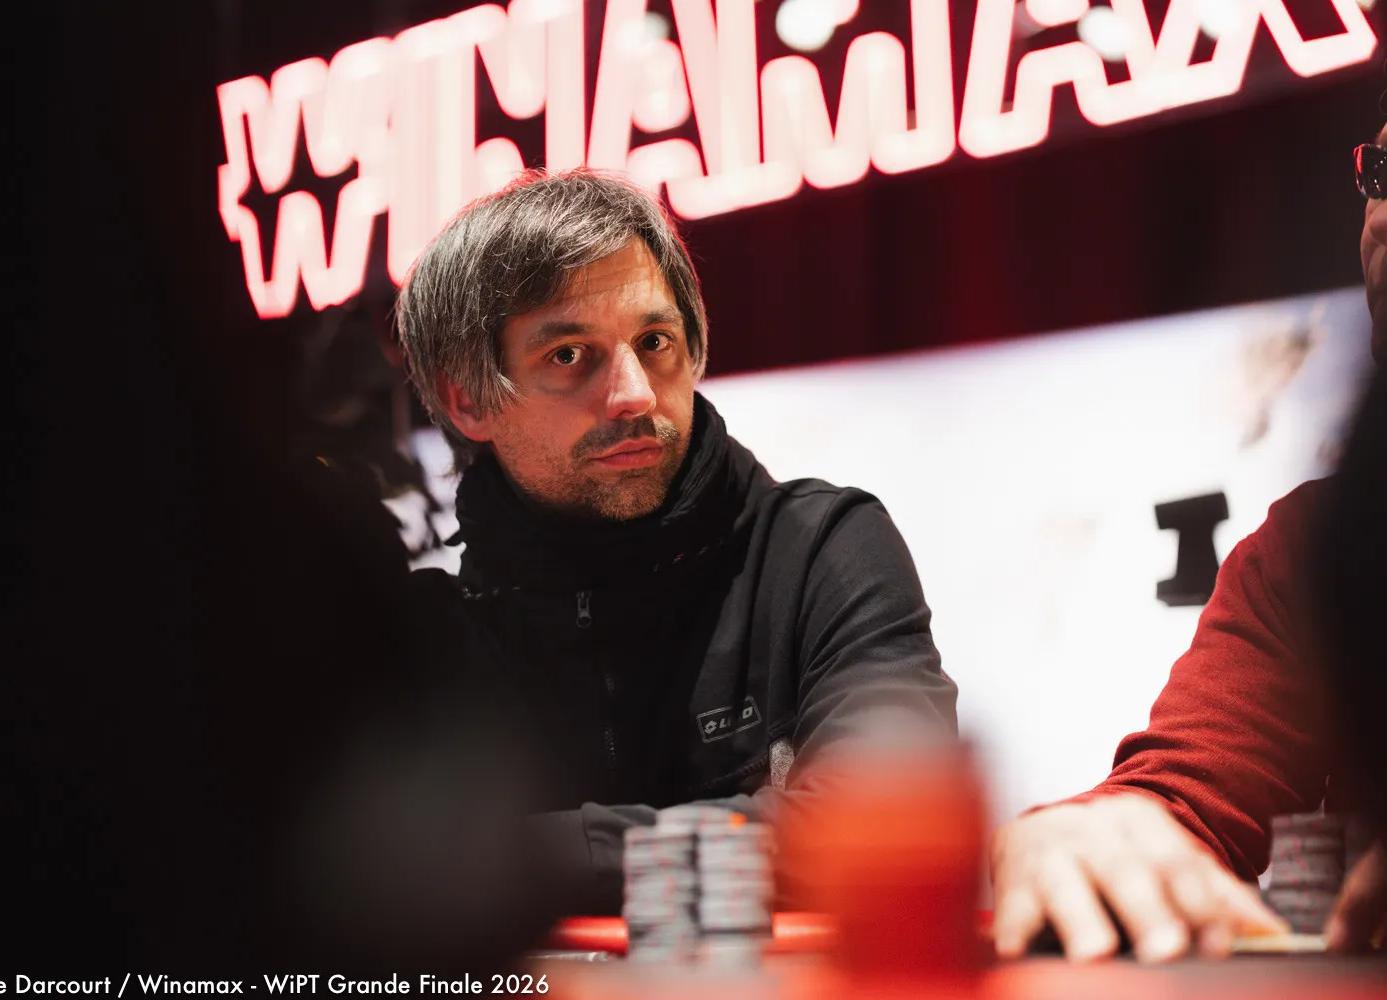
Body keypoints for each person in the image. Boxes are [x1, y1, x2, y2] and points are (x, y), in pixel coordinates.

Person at [394, 170, 958, 914]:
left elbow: (884, 824)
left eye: (654, 341)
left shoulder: (820, 549)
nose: (634, 393)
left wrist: (513, 858)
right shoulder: (421, 637)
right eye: (569, 355)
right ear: (469, 398)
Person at [989, 121, 1387, 963]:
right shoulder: (1301, 546)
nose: (1384, 213)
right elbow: (1186, 799)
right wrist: (1092, 836)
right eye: (1381, 175)